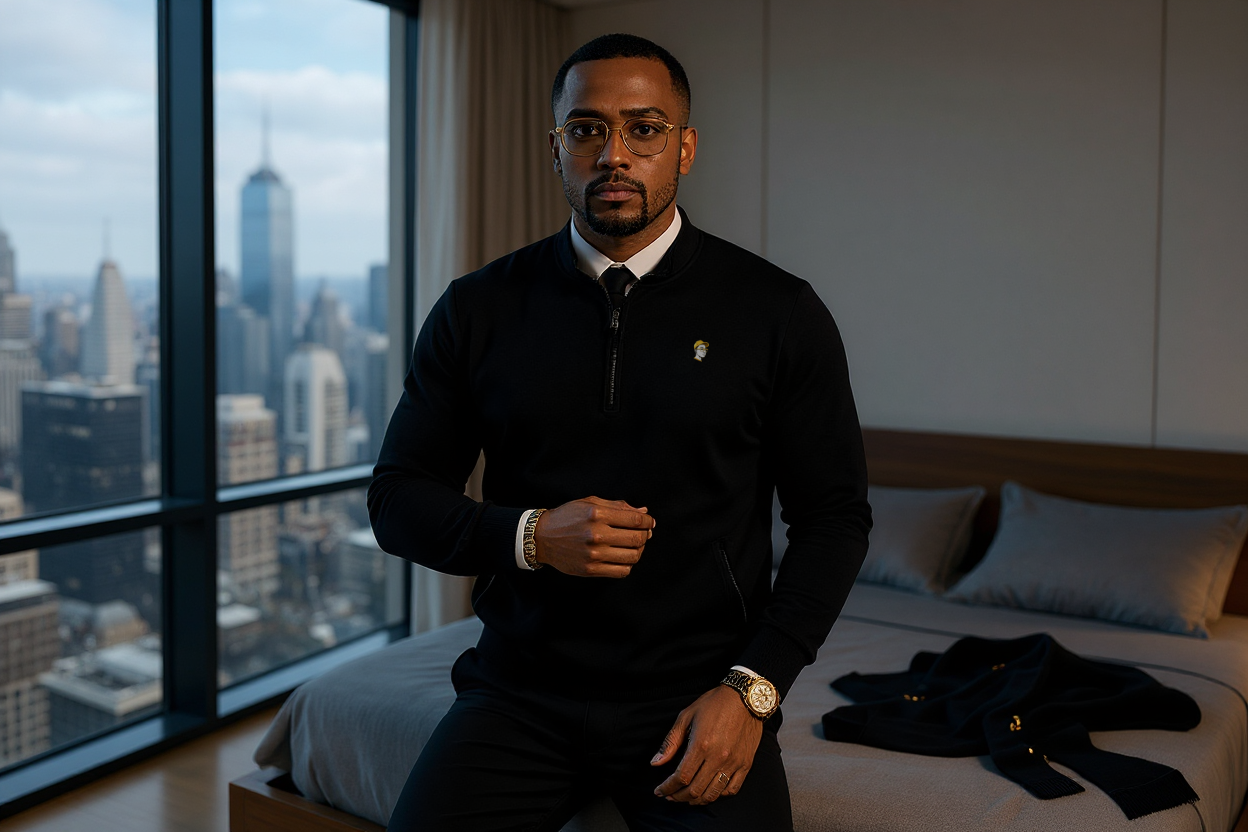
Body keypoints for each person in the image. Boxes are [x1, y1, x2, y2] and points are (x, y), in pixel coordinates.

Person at [370, 32, 871, 832]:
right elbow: (396, 499)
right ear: (556, 147)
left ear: (685, 147)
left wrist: (753, 690)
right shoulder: (477, 308)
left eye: (645, 129)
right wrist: (531, 536)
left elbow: (835, 519)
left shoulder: (778, 313)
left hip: (697, 694)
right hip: (518, 694)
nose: (615, 154)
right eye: (587, 129)